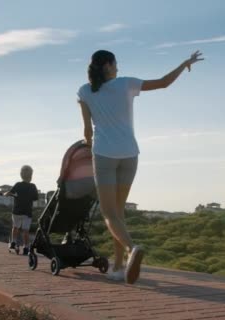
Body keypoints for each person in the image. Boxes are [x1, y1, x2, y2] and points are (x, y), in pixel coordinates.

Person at [77, 49, 203, 284]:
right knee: (119, 212)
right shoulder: (127, 84)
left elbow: (86, 130)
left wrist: (87, 143)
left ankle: (132, 248)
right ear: (107, 66)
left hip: (104, 154)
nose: (118, 67)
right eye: (116, 63)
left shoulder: (84, 91)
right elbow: (163, 83)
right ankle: (117, 267)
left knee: (109, 213)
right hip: (130, 154)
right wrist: (183, 64)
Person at [4, 165, 39, 255]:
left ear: (21, 175)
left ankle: (13, 242)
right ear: (31, 176)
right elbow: (35, 198)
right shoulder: (33, 186)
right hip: (27, 212)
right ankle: (26, 248)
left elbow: (9, 193)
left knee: (15, 227)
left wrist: (6, 194)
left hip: (17, 211)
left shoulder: (18, 185)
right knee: (25, 231)